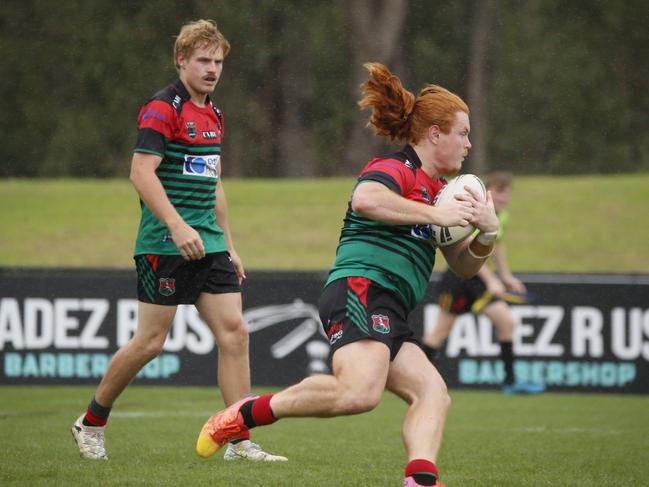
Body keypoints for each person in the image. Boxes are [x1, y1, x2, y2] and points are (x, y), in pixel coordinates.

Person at [194, 63, 500, 487]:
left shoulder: (441, 193)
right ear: (434, 133)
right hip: (361, 288)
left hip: (391, 306)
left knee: (432, 392)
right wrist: (436, 214)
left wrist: (488, 232)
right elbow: (365, 199)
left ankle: (421, 480)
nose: (468, 144)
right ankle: (243, 413)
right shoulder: (397, 168)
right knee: (359, 394)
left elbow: (463, 265)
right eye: (462, 133)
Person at [71, 19, 286, 463]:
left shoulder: (215, 114)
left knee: (235, 334)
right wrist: (175, 225)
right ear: (182, 60)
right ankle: (90, 422)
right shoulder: (161, 107)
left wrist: (228, 243)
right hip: (164, 244)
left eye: (219, 61)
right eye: (203, 60)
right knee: (150, 343)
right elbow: (140, 172)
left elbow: (214, 183)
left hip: (208, 244)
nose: (212, 69)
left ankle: (239, 440)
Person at [421, 172, 545, 395]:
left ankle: (510, 382)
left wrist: (506, 276)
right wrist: (491, 279)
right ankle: (417, 378)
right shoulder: (475, 212)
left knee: (506, 322)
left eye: (507, 193)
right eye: (499, 192)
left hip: (480, 282)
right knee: (438, 334)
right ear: (487, 192)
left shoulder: (501, 216)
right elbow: (469, 250)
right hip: (460, 278)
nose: (504, 198)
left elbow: (497, 245)